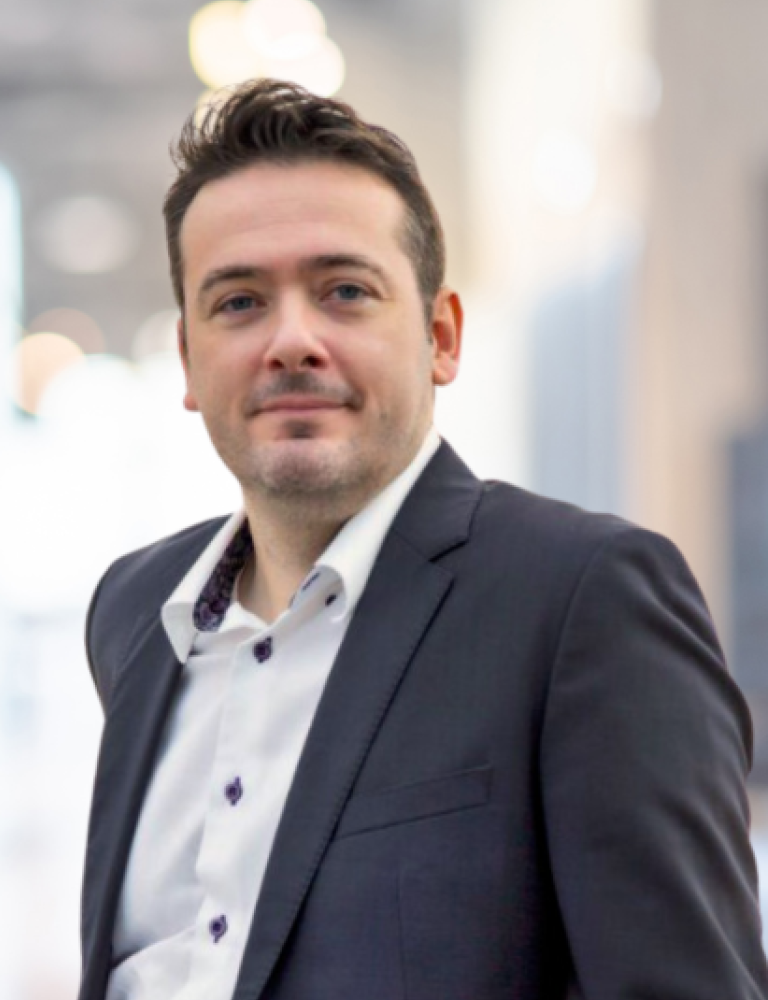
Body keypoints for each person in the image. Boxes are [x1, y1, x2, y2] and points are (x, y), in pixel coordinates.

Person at [79, 78, 768, 1000]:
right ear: (189, 362)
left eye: (345, 291)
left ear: (441, 336)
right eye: (239, 302)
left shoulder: (582, 602)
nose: (291, 341)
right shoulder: (135, 611)